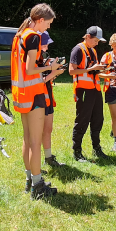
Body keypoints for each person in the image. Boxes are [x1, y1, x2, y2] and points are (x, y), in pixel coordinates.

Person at [11, 3, 61, 200]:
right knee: (35, 141)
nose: (48, 27)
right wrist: (51, 67)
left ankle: (30, 180)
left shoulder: (19, 35)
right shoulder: (33, 36)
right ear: (40, 20)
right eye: (48, 23)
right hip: (34, 94)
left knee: (27, 138)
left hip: (21, 93)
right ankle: (38, 186)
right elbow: (31, 69)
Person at [69, 26, 108, 162]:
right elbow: (71, 71)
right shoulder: (78, 49)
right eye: (96, 40)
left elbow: (92, 71)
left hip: (95, 89)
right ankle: (77, 151)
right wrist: (92, 68)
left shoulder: (93, 50)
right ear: (88, 37)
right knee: (82, 119)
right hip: (84, 90)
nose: (97, 43)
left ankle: (96, 148)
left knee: (98, 119)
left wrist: (104, 72)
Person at [40, 31, 65, 167]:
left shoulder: (42, 57)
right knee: (37, 133)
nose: (47, 47)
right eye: (45, 44)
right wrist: (54, 72)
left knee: (48, 129)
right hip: (38, 99)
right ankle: (35, 165)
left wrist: (54, 73)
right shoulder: (33, 58)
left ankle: (48, 157)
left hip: (47, 96)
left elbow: (45, 79)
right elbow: (37, 81)